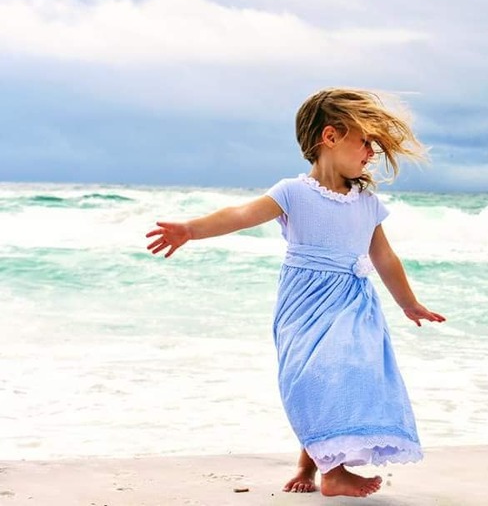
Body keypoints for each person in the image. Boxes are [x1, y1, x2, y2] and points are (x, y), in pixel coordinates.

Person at [145, 88, 445, 498]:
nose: (371, 153)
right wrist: (191, 229)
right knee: (313, 376)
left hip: (353, 303)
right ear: (330, 137)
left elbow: (384, 257)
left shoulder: (367, 202)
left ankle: (327, 470)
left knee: (344, 371)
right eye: (365, 142)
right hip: (305, 304)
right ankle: (318, 466)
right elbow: (241, 215)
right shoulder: (294, 192)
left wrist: (409, 304)